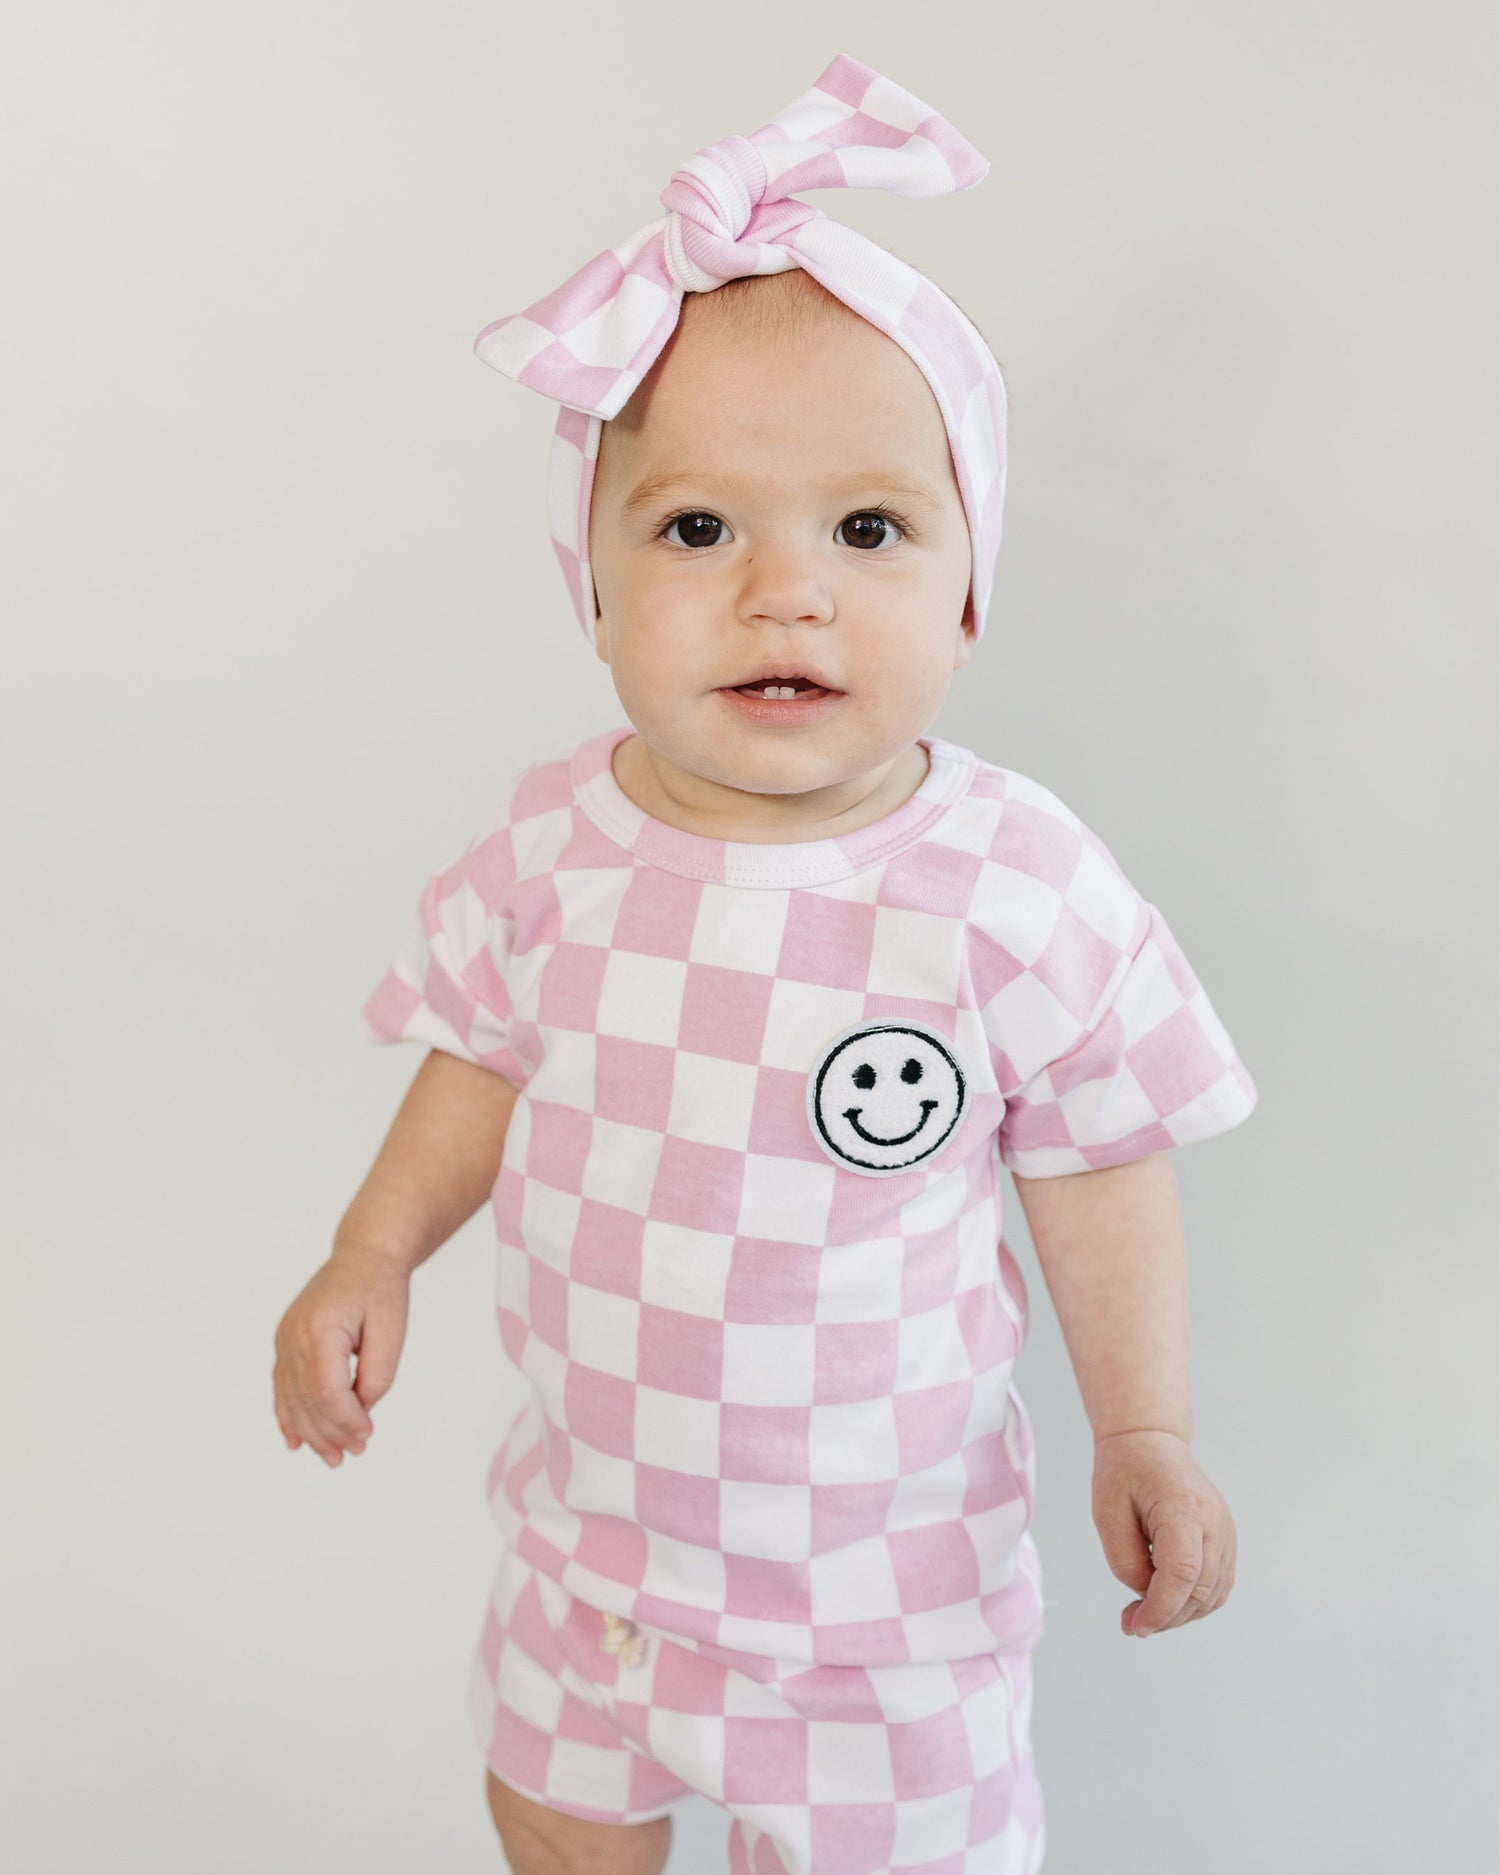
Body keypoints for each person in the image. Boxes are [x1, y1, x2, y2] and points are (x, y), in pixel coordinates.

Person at [272, 54, 1257, 1875]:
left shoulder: (1007, 885)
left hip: (884, 1606)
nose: (782, 589)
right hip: (594, 1557)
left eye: (868, 530)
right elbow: (479, 1056)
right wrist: (373, 1248)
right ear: (591, 582)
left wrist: (1145, 1425)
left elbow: (1100, 1160)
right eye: (697, 527)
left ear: (970, 590)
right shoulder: (554, 844)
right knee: (550, 1814)